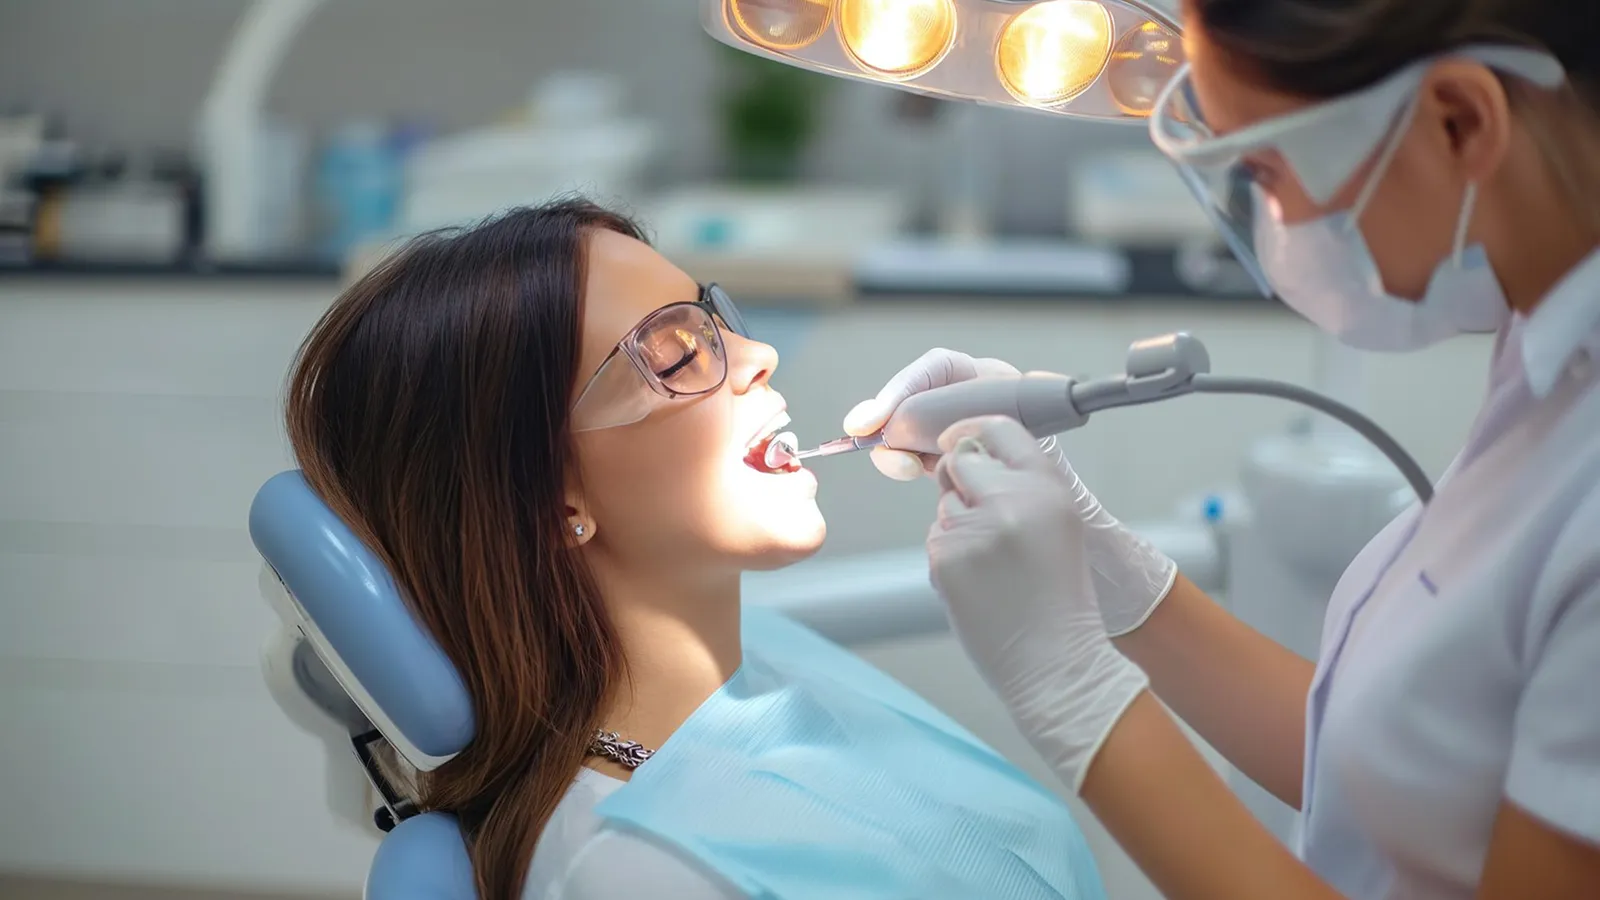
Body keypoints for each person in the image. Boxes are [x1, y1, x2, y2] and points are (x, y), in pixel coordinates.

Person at [847, 1, 1600, 898]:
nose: (1271, 220)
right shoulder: (1551, 345)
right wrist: (1098, 565)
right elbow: (1404, 764)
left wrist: (1074, 690)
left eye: (1269, 167)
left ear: (1460, 120)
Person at [285, 199, 1103, 900]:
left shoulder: (761, 662)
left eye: (715, 322)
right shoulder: (641, 870)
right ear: (546, 498)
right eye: (676, 354)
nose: (759, 356)